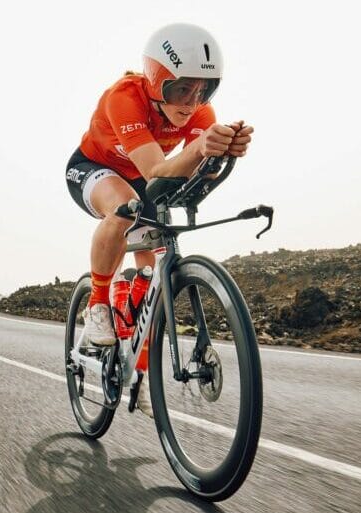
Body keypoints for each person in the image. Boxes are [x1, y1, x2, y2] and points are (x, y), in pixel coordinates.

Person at [65, 23, 253, 416]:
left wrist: (222, 155)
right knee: (125, 207)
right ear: (156, 80)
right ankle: (98, 304)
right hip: (94, 168)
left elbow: (195, 177)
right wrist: (201, 146)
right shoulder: (124, 98)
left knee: (153, 275)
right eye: (182, 87)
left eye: (203, 89)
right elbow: (157, 171)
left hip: (143, 177)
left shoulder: (202, 111)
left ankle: (139, 370)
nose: (191, 101)